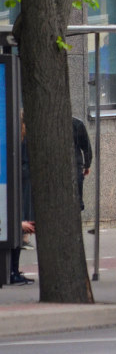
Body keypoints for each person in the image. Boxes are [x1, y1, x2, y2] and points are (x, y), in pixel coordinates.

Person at [11, 112, 35, 285]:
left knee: (18, 231)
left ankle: (13, 269)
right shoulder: (23, 142)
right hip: (21, 189)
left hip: (18, 188)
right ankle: (12, 270)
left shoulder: (16, 140)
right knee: (17, 231)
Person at [72, 117, 92, 210]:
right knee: (77, 195)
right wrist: (87, 165)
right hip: (76, 163)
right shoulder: (77, 124)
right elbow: (87, 147)